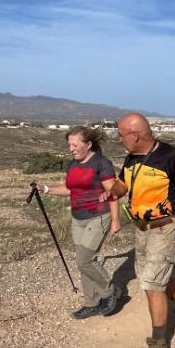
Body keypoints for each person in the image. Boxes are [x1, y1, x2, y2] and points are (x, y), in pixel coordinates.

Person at [107, 113, 175, 348]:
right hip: (141, 227)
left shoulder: (170, 157)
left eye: (121, 134)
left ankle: (159, 343)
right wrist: (110, 190)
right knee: (151, 276)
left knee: (151, 283)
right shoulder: (132, 157)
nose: (118, 139)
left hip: (165, 227)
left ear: (135, 135)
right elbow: (124, 185)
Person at [35, 126, 122, 319]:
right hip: (78, 218)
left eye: (75, 145)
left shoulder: (101, 163)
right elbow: (68, 189)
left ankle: (110, 291)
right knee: (84, 263)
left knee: (84, 260)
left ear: (88, 144)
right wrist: (46, 188)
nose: (71, 149)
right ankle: (91, 303)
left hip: (98, 216)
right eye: (69, 145)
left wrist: (116, 220)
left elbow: (113, 193)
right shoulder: (72, 164)